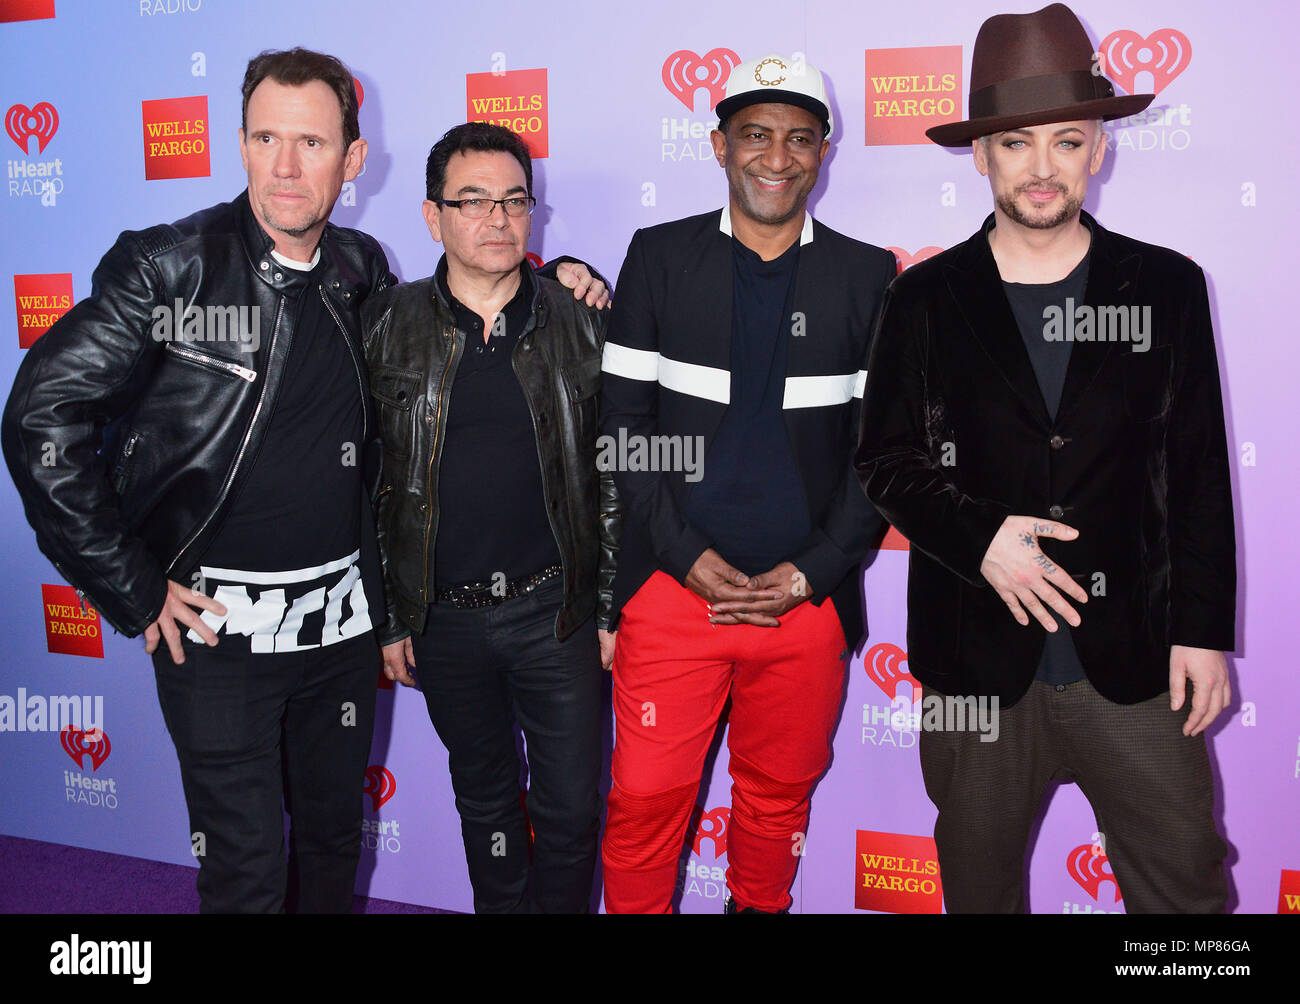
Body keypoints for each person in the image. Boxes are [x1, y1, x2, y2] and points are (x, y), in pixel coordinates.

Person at [1, 49, 605, 913]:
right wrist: (131, 586)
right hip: (215, 639)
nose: (287, 166)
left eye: (313, 142)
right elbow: (40, 420)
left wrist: (560, 276)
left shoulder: (360, 273)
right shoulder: (167, 268)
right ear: (240, 145)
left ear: (351, 161)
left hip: (340, 636)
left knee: (330, 850)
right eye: (267, 138)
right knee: (245, 871)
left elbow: (468, 302)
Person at [855, 3, 1234, 912]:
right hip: (973, 675)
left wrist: (1205, 630)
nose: (1041, 168)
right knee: (980, 894)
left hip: (1139, 665)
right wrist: (980, 537)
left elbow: (1199, 473)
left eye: (1066, 141)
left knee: (1185, 894)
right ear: (980, 154)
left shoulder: (1168, 285)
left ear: (1099, 148)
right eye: (1016, 144)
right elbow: (885, 459)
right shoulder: (924, 297)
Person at [598, 53, 894, 913]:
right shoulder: (657, 256)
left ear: (824, 152)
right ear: (719, 145)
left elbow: (882, 454)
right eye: (756, 135)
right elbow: (623, 430)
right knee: (646, 799)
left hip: (805, 604)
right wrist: (684, 555)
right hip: (668, 590)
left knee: (776, 801)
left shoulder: (869, 274)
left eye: (800, 139)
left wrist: (815, 572)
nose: (777, 156)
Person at [364, 122, 617, 914]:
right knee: (486, 805)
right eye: (472, 201)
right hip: (444, 621)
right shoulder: (380, 325)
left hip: (558, 611)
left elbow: (616, 474)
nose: (498, 218)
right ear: (434, 216)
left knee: (572, 813)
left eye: (513, 200)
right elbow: (362, 484)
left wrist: (610, 602)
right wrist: (390, 613)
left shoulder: (582, 317)